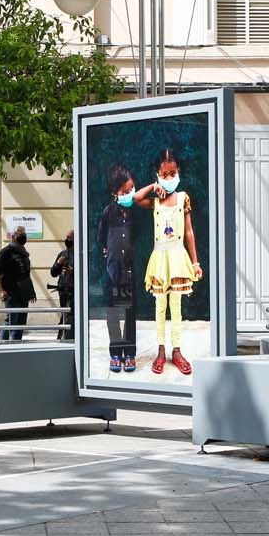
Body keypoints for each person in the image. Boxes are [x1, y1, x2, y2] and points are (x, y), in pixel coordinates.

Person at [133, 149, 202, 375]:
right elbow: (135, 198)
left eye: (173, 173)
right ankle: (161, 351)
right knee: (160, 307)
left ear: (178, 172)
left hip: (178, 256)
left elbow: (190, 232)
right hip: (160, 258)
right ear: (158, 174)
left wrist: (195, 263)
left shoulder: (183, 198)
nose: (170, 177)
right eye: (166, 174)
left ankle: (178, 351)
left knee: (177, 307)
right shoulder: (155, 201)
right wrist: (153, 188)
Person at [98, 165, 137, 372]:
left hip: (130, 271)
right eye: (125, 191)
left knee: (130, 313)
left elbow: (138, 235)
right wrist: (109, 252)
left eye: (132, 189)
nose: (130, 194)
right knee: (112, 314)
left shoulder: (134, 212)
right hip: (113, 271)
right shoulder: (108, 212)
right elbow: (101, 238)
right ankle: (115, 353)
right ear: (115, 193)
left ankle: (129, 354)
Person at [0, 227, 34, 342]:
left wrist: (31, 292)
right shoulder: (6, 252)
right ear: (13, 237)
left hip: (23, 293)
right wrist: (1, 291)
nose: (22, 236)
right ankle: (2, 347)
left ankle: (16, 346)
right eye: (19, 234)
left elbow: (26, 274)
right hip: (11, 292)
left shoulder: (24, 253)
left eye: (23, 234)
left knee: (20, 324)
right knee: (11, 321)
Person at [50, 230, 75, 340]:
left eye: (70, 238)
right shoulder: (62, 254)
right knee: (64, 315)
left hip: (74, 290)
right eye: (67, 237)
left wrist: (73, 271)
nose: (67, 240)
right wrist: (58, 264)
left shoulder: (80, 254)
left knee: (72, 316)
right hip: (63, 290)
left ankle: (69, 337)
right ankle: (61, 338)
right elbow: (53, 273)